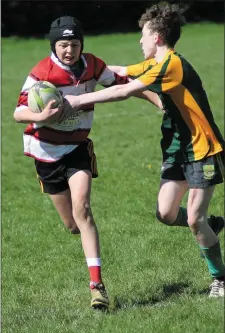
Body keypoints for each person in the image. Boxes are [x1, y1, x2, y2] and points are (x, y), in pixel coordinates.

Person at [64, 4, 225, 297]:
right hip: (178, 149)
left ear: (158, 38)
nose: (140, 40)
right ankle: (212, 226)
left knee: (193, 219)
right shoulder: (155, 63)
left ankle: (220, 278)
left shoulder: (170, 64)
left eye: (144, 35)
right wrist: (75, 70)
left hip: (204, 149)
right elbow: (120, 73)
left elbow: (123, 90)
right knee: (164, 213)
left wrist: (77, 102)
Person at [14, 16, 163, 310]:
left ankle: (97, 286)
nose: (69, 50)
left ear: (82, 44)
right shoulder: (41, 73)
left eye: (74, 44)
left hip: (77, 148)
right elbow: (19, 113)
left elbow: (126, 84)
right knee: (73, 224)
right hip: (46, 152)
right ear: (54, 46)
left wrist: (158, 102)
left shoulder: (92, 65)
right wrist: (41, 117)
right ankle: (84, 245)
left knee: (83, 209)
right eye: (63, 45)